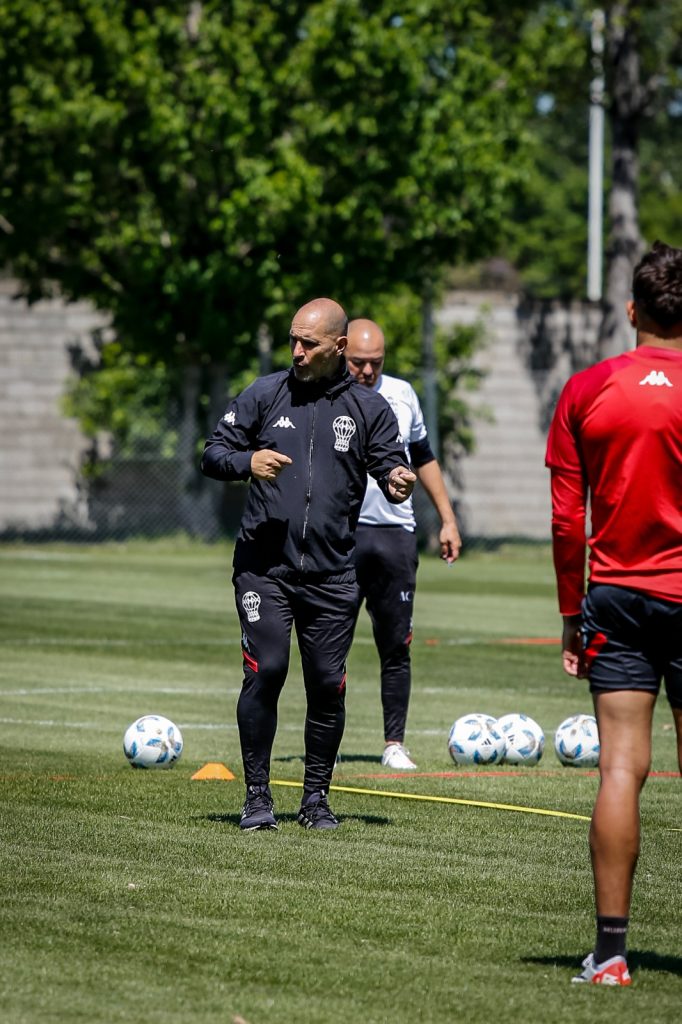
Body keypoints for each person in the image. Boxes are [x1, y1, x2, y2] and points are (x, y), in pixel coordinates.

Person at [201, 298, 416, 831]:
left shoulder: (369, 409)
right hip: (263, 567)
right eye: (293, 340)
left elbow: (390, 463)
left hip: (333, 574)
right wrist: (246, 461)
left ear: (338, 348)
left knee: (326, 684)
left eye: (309, 343)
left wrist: (395, 479)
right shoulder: (264, 393)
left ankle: (316, 800)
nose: (297, 351)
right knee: (267, 669)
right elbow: (212, 453)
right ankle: (257, 798)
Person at [545, 240, 682, 986]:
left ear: (633, 311)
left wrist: (573, 612)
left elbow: (569, 521)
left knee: (621, 769)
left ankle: (612, 953)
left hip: (619, 597)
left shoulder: (587, 388)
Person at [345, 318, 462, 770]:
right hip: (341, 535)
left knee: (396, 643)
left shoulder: (403, 394)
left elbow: (424, 457)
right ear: (341, 354)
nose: (368, 371)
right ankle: (327, 742)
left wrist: (447, 520)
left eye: (376, 363)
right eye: (358, 363)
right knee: (329, 642)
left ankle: (394, 743)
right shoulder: (324, 398)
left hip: (395, 535)